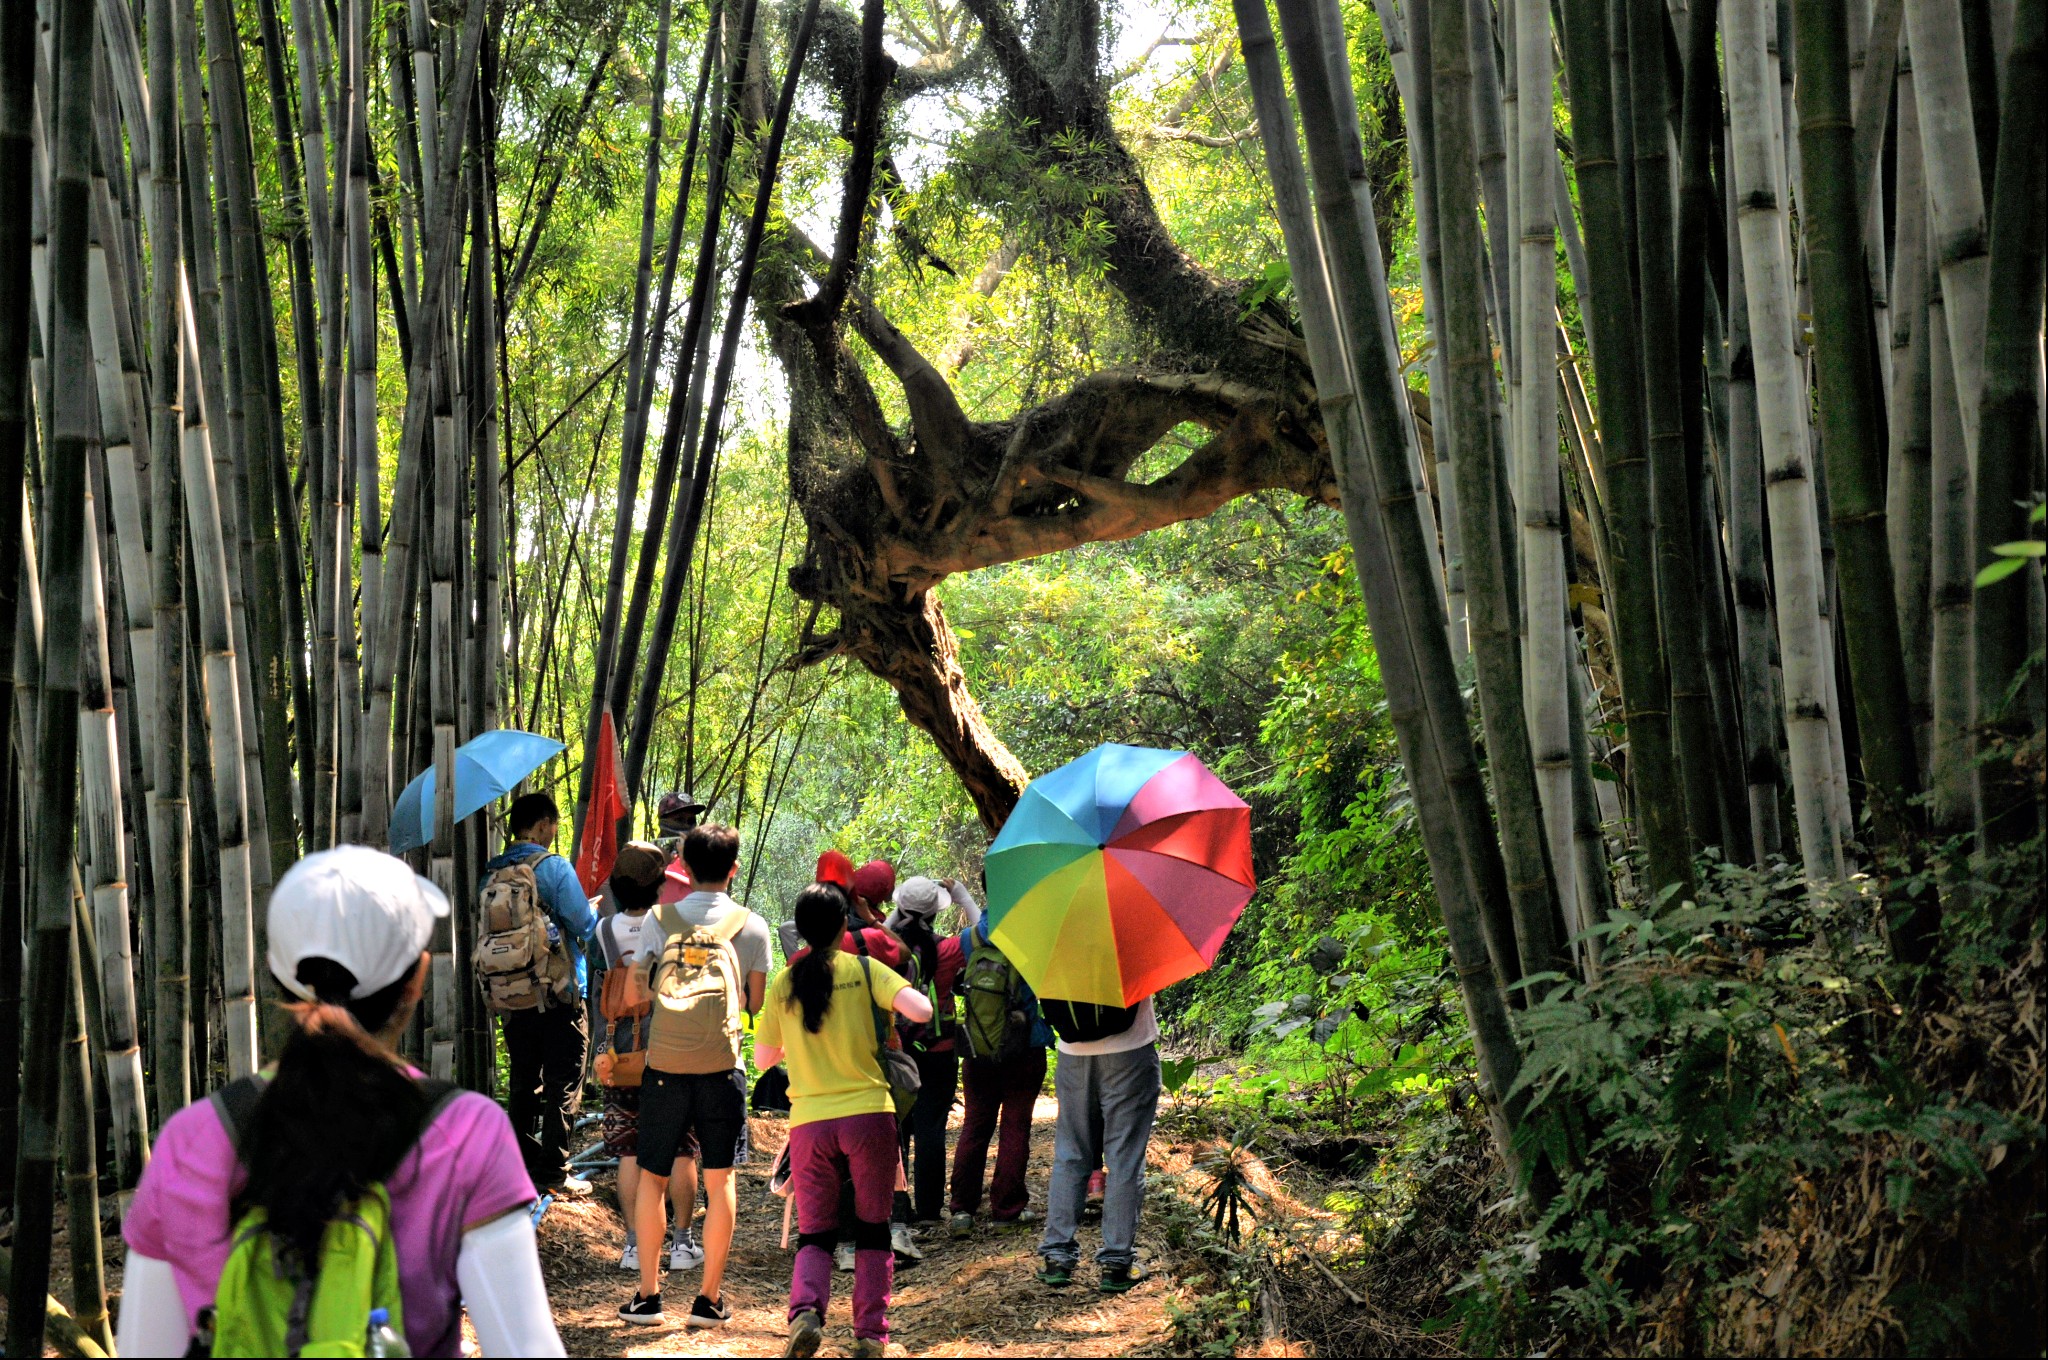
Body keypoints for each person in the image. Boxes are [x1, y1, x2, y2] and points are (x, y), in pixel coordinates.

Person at [115, 846, 564, 1357]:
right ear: (417, 980)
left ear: (278, 977)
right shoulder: (466, 1131)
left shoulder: (191, 1138)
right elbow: (525, 1347)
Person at [756, 884, 935, 1360]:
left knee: (815, 1233)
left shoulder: (784, 983)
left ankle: (806, 1314)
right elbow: (923, 1009)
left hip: (810, 1123)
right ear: (842, 927)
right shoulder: (863, 967)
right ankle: (870, 1336)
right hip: (869, 1116)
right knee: (874, 1229)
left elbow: (763, 1057)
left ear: (800, 931)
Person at [620, 824, 774, 1330]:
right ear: (733, 869)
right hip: (721, 1069)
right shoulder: (753, 926)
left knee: (652, 1177)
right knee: (720, 1178)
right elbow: (755, 1004)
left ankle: (648, 1297)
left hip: (664, 1068)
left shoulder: (658, 920)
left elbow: (634, 996)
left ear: (682, 867)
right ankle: (708, 1300)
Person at [484, 792, 599, 1193]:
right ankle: (554, 1173)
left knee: (523, 1080)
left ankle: (514, 1167)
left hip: (511, 994)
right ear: (542, 826)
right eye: (552, 825)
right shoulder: (553, 868)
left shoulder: (491, 873)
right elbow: (584, 925)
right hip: (558, 991)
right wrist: (595, 910)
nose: (554, 832)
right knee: (563, 1080)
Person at [596, 843, 701, 1275]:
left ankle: (634, 1246)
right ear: (659, 885)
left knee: (628, 1150)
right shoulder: (675, 923)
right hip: (670, 1046)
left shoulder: (603, 931)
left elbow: (596, 990)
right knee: (679, 1147)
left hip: (621, 1053)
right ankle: (680, 1244)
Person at [1037, 995, 1162, 1293]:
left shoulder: (1055, 949)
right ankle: (1116, 1263)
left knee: (1071, 1154)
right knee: (1125, 1159)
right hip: (1130, 1051)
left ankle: (1057, 1257)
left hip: (1072, 1055)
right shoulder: (1130, 945)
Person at [948, 904, 1053, 1236]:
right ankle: (1005, 1210)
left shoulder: (968, 939)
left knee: (975, 1126)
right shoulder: (1034, 938)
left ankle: (962, 1211)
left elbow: (950, 982)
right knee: (1015, 1126)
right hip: (1025, 1045)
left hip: (979, 1047)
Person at [884, 876, 981, 1228]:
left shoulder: (886, 947)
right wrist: (962, 895)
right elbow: (989, 932)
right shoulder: (949, 949)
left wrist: (895, 917)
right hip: (939, 1051)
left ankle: (897, 1206)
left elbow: (873, 935)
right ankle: (927, 1211)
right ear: (934, 914)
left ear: (900, 909)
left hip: (896, 1050)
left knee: (895, 1129)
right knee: (931, 1128)